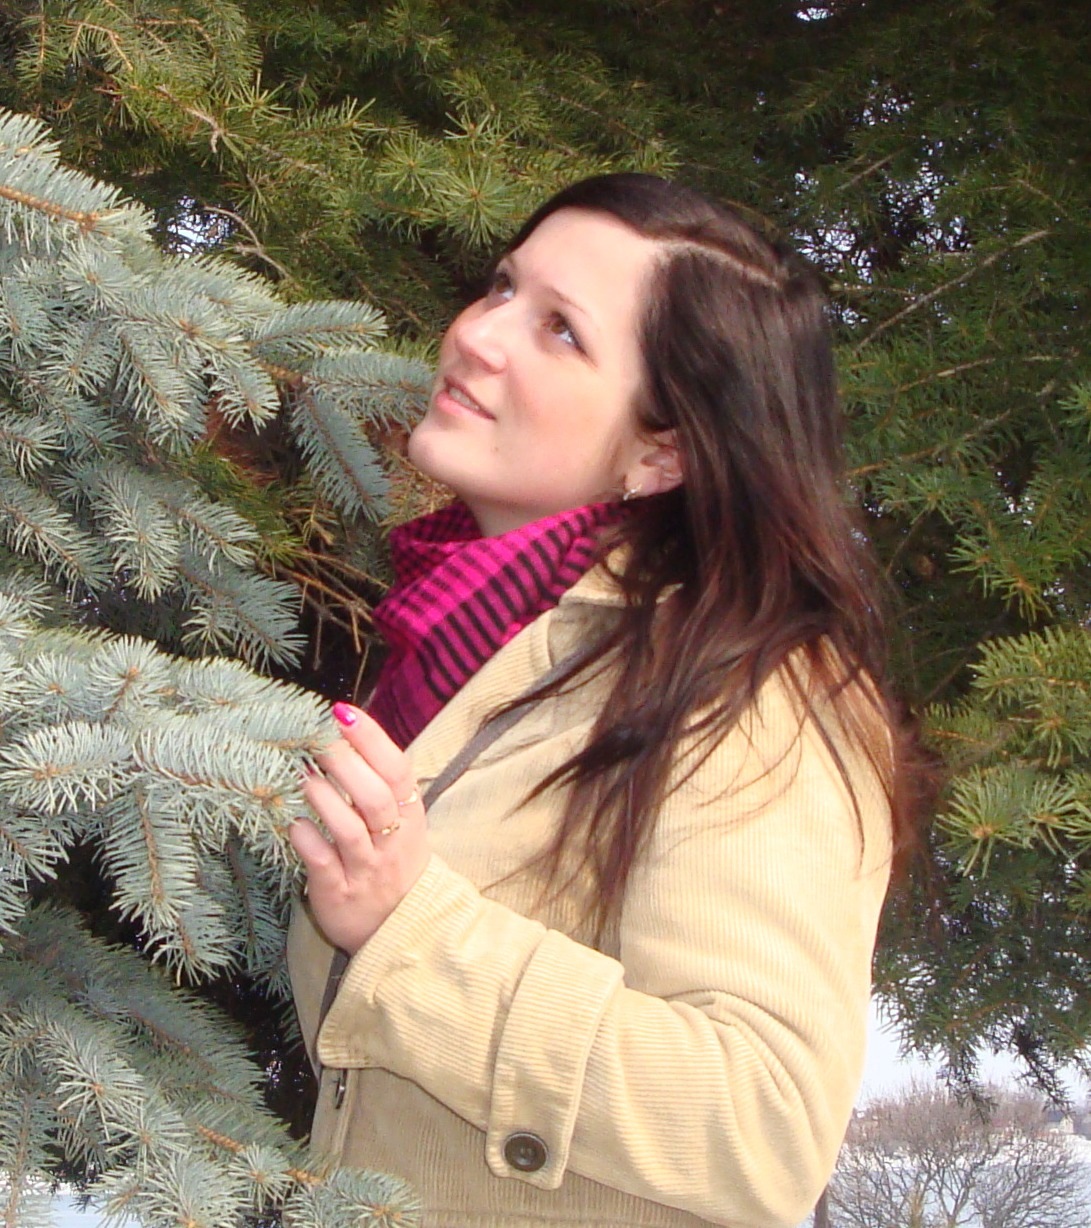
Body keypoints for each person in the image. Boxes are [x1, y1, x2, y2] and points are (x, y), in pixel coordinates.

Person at [286, 173, 919, 1228]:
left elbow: (764, 1125)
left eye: (560, 331)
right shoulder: (467, 643)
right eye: (501, 287)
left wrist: (412, 934)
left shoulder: (749, 687)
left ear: (661, 450)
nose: (477, 335)